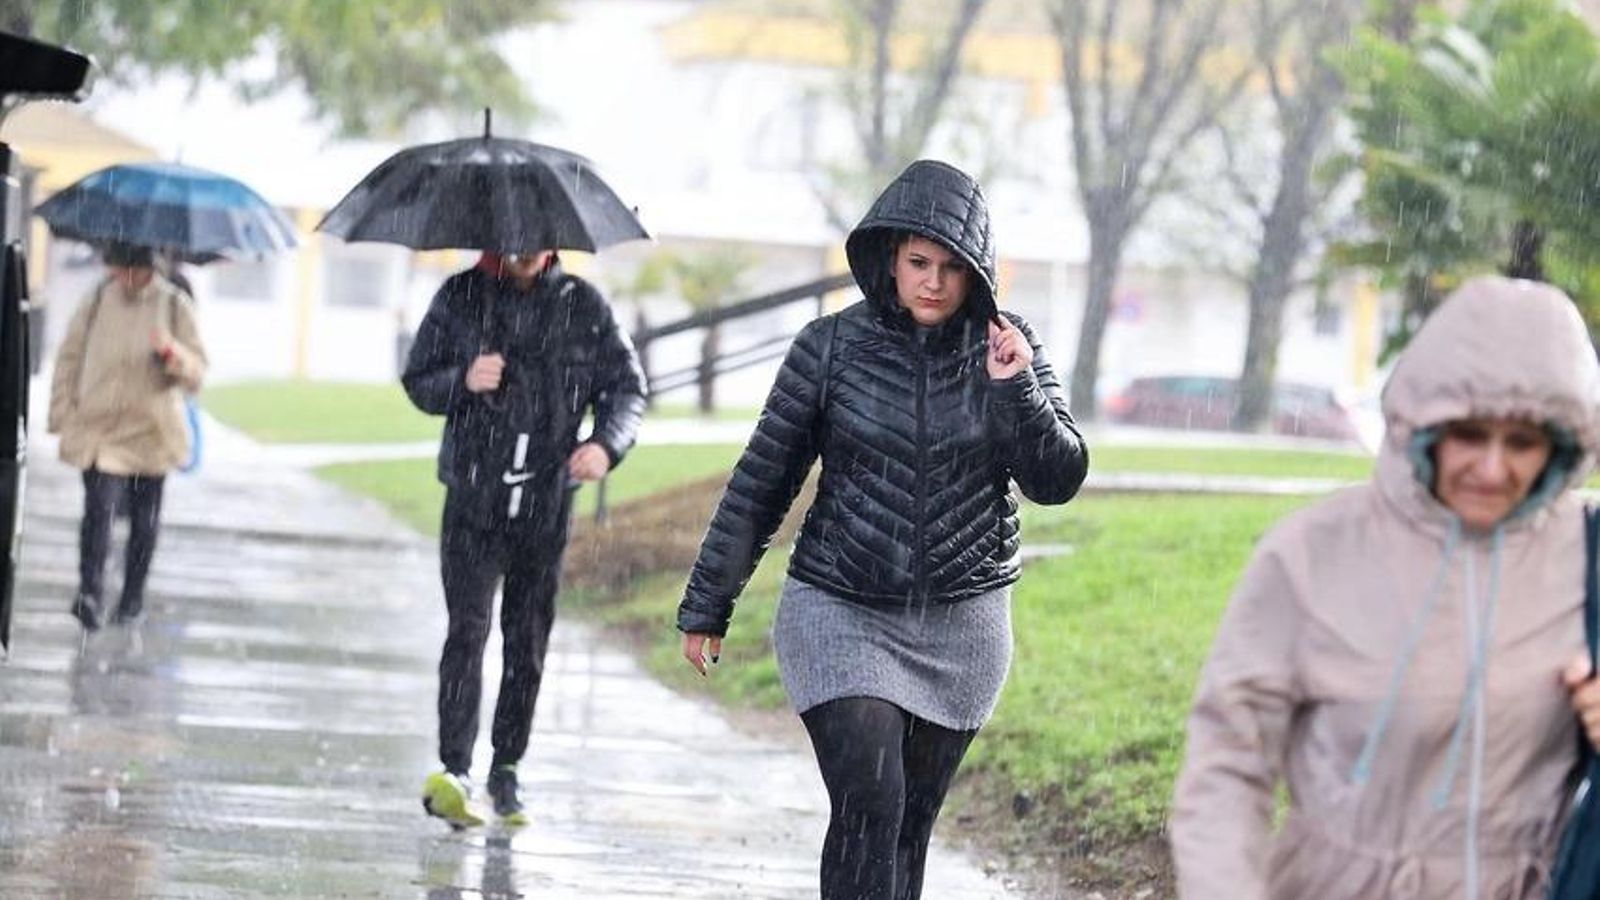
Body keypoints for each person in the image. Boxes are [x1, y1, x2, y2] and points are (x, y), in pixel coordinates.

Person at [676, 159, 1089, 899]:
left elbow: (1057, 480)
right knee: (870, 800)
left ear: (977, 273)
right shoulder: (827, 347)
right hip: (839, 609)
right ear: (889, 260)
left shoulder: (1008, 346)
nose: (932, 282)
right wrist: (710, 602)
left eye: (950, 267)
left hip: (962, 622)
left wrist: (1016, 387)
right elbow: (763, 480)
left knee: (909, 823)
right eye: (917, 262)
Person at [1171, 275, 1600, 899]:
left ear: (1561, 450)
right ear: (1423, 426)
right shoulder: (1313, 553)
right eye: (1470, 434)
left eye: (1524, 442)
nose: (1492, 468)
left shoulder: (1588, 554)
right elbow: (1227, 763)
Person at [402, 248, 646, 828]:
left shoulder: (583, 305)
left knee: (527, 642)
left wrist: (605, 444)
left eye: (539, 238)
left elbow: (626, 390)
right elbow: (418, 381)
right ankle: (454, 768)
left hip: (545, 503)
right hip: (472, 500)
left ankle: (506, 768)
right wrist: (462, 379)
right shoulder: (462, 295)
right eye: (515, 236)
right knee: (467, 632)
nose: (526, 248)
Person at [47, 240, 207, 630]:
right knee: (98, 513)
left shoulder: (173, 304)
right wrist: (62, 413)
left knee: (144, 522)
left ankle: (132, 597)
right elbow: (70, 356)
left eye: (123, 269)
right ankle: (90, 592)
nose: (118, 277)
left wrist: (172, 354)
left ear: (143, 268)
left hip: (151, 431)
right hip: (100, 428)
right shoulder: (98, 299)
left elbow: (196, 373)